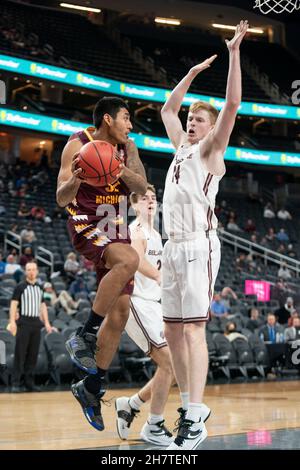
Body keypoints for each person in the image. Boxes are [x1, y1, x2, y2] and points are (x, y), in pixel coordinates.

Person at [160, 20, 249, 450]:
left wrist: (233, 53)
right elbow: (165, 109)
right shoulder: (180, 145)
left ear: (210, 128)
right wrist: (192, 74)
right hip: (171, 249)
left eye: (199, 119)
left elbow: (232, 103)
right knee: (173, 331)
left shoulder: (211, 150)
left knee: (194, 329)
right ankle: (187, 407)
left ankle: (197, 413)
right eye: (191, 118)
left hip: (198, 244)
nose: (191, 122)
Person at [56, 96, 147, 430]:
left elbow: (140, 189)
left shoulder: (128, 148)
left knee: (121, 312)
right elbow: (61, 198)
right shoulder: (77, 144)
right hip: (87, 222)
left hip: (116, 226)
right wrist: (78, 178)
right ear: (108, 119)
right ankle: (84, 334)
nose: (130, 125)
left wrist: (118, 166)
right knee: (130, 259)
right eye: (126, 118)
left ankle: (90, 388)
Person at [115, 185, 211, 445]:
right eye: (144, 199)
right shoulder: (135, 230)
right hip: (136, 303)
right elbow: (136, 259)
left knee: (175, 364)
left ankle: (132, 405)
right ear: (134, 205)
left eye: (153, 198)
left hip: (155, 304)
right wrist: (160, 276)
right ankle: (153, 423)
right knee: (170, 363)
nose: (150, 201)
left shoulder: (157, 234)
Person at [9, 261, 53, 392]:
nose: (31, 272)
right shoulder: (20, 287)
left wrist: (47, 323)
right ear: (25, 272)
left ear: (37, 271)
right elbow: (13, 305)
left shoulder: (40, 287)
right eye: (29, 269)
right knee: (20, 354)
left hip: (36, 324)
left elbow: (43, 306)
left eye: (33, 269)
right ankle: (16, 383)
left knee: (32, 355)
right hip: (23, 323)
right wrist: (12, 321)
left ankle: (29, 383)